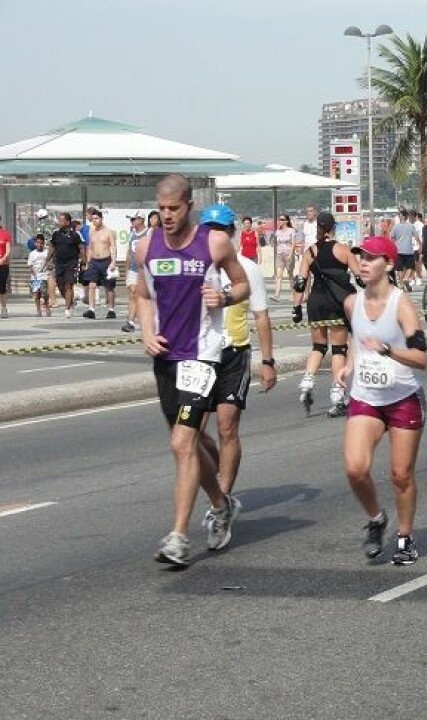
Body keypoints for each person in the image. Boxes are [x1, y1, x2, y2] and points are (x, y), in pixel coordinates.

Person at [136, 174, 250, 567]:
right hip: (165, 357)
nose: (166, 216)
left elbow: (242, 284)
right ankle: (221, 504)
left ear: (188, 207)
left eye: (174, 209)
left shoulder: (213, 242)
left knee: (182, 444)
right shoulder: (146, 246)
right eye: (161, 209)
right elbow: (141, 295)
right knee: (191, 446)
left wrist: (225, 296)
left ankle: (179, 537)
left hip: (201, 355)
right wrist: (147, 331)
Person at [335, 235, 427, 565]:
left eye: (371, 258)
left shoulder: (401, 304)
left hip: (403, 395)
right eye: (360, 256)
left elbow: (421, 358)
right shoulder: (351, 303)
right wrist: (349, 364)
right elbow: (355, 338)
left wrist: (389, 350)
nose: (362, 262)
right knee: (355, 469)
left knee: (401, 475)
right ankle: (376, 519)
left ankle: (405, 538)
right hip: (366, 395)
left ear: (388, 264)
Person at [195, 205, 277, 504]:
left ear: (232, 233)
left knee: (227, 426)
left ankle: (223, 502)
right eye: (209, 229)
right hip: (202, 354)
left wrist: (267, 362)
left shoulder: (248, 269)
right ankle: (217, 466)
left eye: (221, 229)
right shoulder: (195, 266)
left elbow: (262, 317)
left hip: (235, 353)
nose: (215, 235)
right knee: (194, 433)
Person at [292, 211, 359, 417]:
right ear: (333, 228)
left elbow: (300, 283)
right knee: (339, 349)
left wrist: (296, 307)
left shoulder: (309, 252)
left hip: (315, 301)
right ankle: (337, 395)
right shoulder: (343, 250)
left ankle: (307, 381)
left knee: (318, 346)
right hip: (335, 302)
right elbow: (360, 277)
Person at [81, 208, 118, 319]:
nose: (94, 221)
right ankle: (91, 309)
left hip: (106, 260)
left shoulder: (108, 232)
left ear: (101, 219)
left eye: (96, 218)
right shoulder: (92, 232)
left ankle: (111, 309)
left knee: (109, 286)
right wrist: (88, 262)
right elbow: (90, 248)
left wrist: (113, 262)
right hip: (94, 262)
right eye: (92, 219)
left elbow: (113, 247)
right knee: (92, 285)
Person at [48, 213, 86, 318]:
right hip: (59, 263)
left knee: (69, 285)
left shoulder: (75, 235)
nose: (59, 222)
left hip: (71, 263)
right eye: (59, 220)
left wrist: (83, 261)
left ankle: (67, 309)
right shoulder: (56, 234)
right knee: (60, 286)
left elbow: (81, 247)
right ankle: (70, 301)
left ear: (67, 222)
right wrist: (48, 259)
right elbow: (52, 246)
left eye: (61, 220)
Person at [122, 212, 150, 333]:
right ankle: (131, 321)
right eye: (131, 219)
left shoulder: (149, 233)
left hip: (146, 270)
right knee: (133, 293)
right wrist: (127, 270)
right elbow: (129, 253)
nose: (132, 222)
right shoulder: (132, 234)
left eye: (134, 219)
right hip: (134, 269)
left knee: (144, 296)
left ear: (141, 220)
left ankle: (147, 320)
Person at [271, 214, 297, 301]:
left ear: (287, 221)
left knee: (290, 275)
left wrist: (290, 254)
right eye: (279, 219)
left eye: (282, 219)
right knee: (278, 275)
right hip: (279, 254)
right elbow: (273, 241)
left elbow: (293, 243)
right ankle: (276, 295)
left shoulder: (291, 230)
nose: (280, 221)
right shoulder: (277, 231)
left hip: (288, 254)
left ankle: (293, 295)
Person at [390, 209, 418, 291]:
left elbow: (392, 238)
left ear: (401, 216)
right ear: (407, 217)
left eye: (399, 215)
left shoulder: (396, 226)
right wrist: (420, 244)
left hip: (398, 250)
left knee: (399, 268)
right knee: (410, 266)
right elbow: (416, 236)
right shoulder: (411, 226)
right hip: (408, 250)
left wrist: (393, 246)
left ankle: (401, 284)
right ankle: (406, 278)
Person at [27, 233, 51, 317]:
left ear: (43, 243)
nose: (39, 245)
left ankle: (47, 308)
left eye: (41, 243)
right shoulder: (32, 254)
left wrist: (47, 267)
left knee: (44, 293)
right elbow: (30, 265)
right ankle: (38, 310)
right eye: (38, 243)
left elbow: (49, 261)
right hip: (35, 276)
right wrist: (35, 274)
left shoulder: (46, 252)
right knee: (37, 293)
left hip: (44, 275)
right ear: (35, 243)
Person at [0, 214, 11, 318]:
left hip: (3, 264)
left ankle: (3, 308)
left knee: (2, 287)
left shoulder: (5, 234)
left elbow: (8, 250)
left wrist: (3, 259)